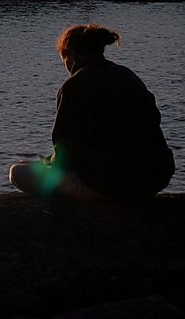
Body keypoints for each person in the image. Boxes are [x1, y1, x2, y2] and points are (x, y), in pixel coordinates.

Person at [9, 24, 174, 200]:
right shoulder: (128, 76)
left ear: (72, 55)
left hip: (111, 185)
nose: (65, 66)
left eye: (64, 59)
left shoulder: (73, 86)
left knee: (18, 172)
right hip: (154, 179)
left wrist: (53, 164)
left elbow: (65, 147)